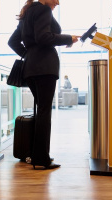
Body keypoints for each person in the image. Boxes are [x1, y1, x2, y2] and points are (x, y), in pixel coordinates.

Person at [8, 0, 79, 169]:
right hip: (44, 68)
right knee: (44, 113)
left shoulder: (27, 13)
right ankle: (41, 159)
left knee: (42, 112)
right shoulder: (43, 10)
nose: (58, 2)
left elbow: (13, 41)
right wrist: (69, 38)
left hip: (31, 69)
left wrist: (29, 54)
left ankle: (38, 155)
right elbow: (44, 37)